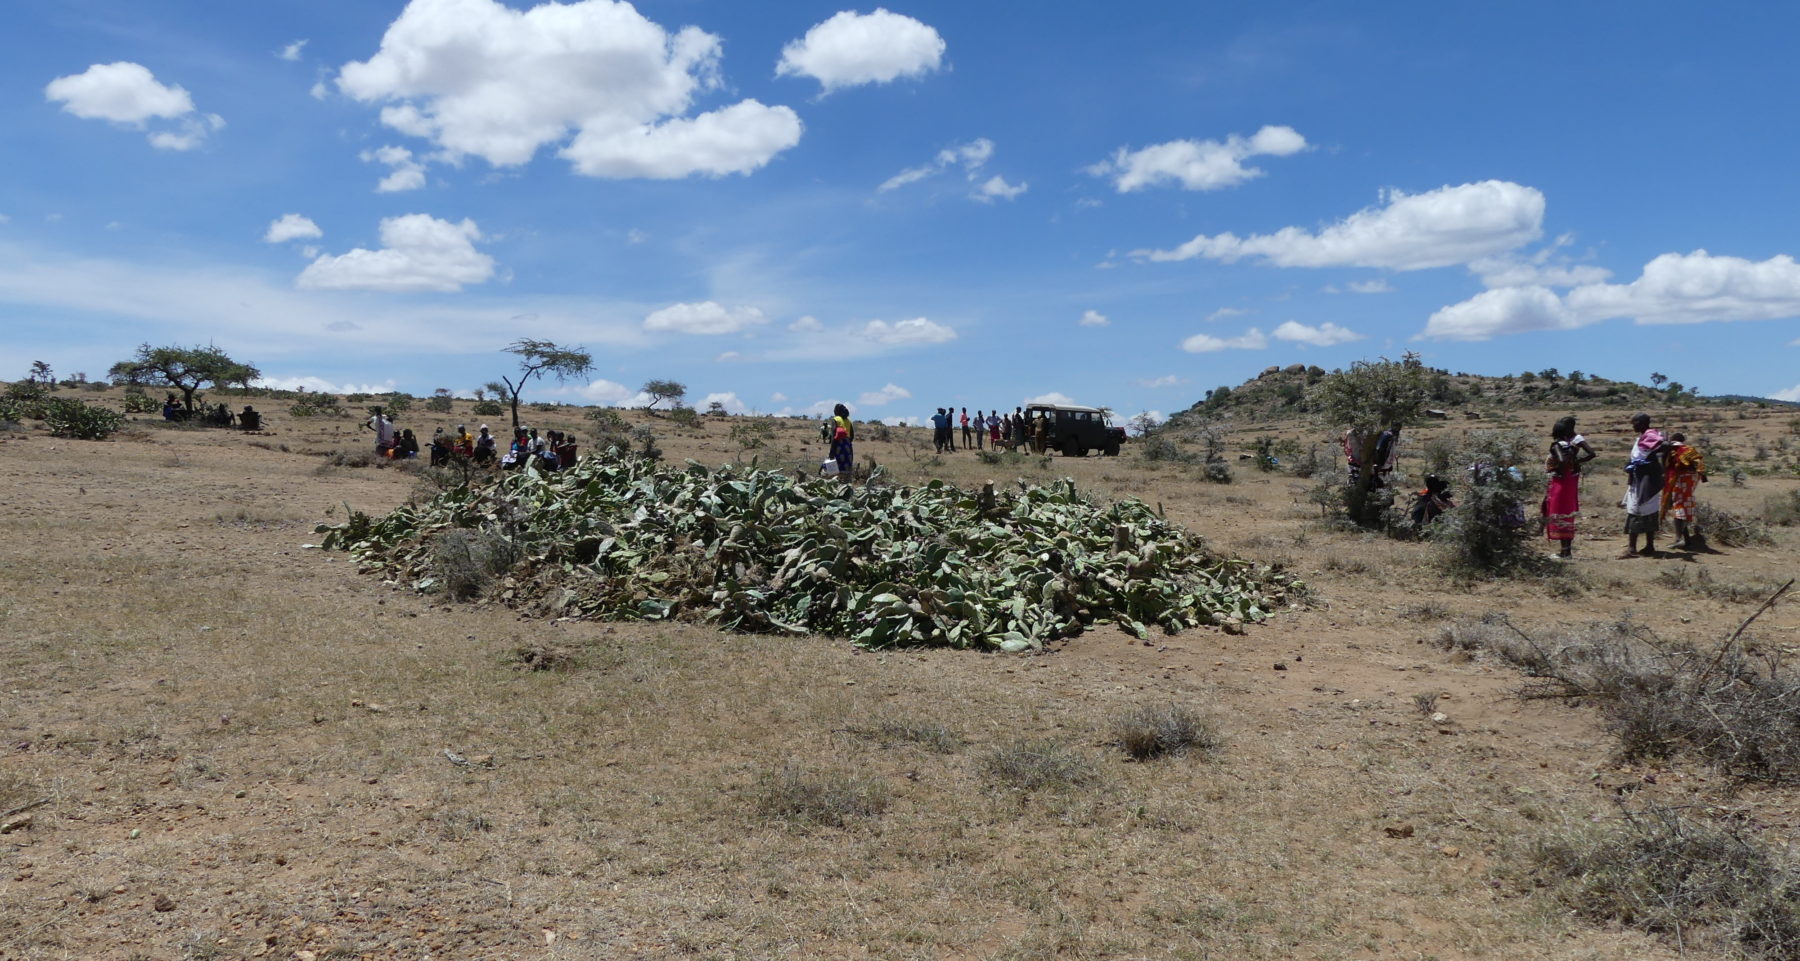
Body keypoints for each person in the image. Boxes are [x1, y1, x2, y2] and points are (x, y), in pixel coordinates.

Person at [1542, 416, 1595, 558]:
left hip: (1560, 484)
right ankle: (1566, 551)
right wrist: (1574, 462)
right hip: (1569, 483)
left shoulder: (1557, 445)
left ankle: (1565, 552)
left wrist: (1557, 467)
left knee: (1558, 514)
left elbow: (1561, 460)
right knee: (1567, 515)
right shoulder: (1570, 446)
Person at [1622, 413, 1669, 558]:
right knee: (1648, 509)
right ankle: (1649, 546)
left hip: (1646, 479)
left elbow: (1665, 445)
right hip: (1642, 478)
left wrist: (1653, 463)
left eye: (1635, 423)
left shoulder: (1650, 436)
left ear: (1642, 423)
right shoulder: (1644, 437)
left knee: (1637, 509)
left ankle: (1632, 548)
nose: (1633, 426)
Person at [1662, 432, 1708, 548]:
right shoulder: (1689, 449)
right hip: (1693, 478)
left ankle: (1680, 539)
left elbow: (1667, 464)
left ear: (1673, 439)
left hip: (1681, 477)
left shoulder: (1672, 448)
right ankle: (1686, 539)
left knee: (1678, 506)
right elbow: (1699, 465)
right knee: (1684, 504)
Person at [830, 403, 855, 478]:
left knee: (835, 471)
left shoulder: (836, 419)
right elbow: (852, 436)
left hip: (838, 446)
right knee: (847, 470)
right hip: (848, 447)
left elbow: (833, 436)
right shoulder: (849, 421)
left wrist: (831, 451)